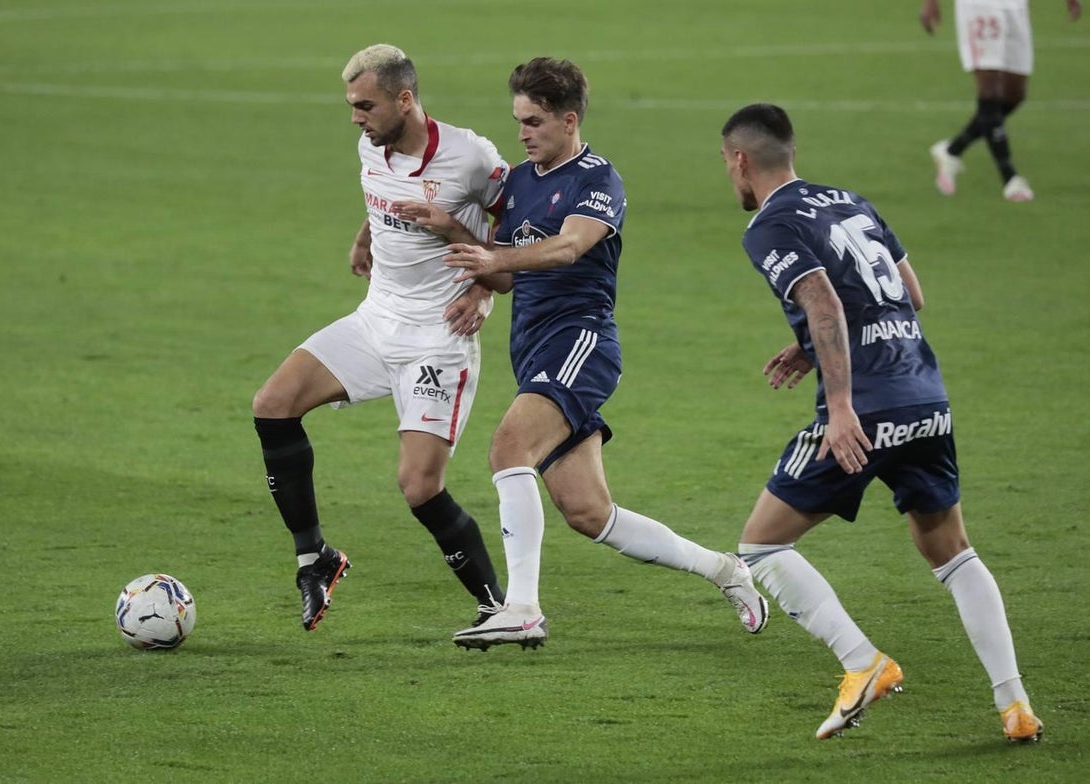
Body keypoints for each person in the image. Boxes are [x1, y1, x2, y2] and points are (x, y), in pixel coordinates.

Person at [720, 102, 1043, 742]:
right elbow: (910, 295)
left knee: (761, 547)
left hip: (866, 407)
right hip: (925, 397)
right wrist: (810, 346)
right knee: (951, 550)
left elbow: (822, 300)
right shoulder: (851, 201)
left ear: (740, 161)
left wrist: (840, 406)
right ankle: (1016, 707)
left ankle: (862, 663)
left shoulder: (769, 224)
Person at [443, 57, 768, 651]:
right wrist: (453, 236)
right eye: (518, 121)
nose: (523, 133)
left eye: (534, 122)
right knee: (590, 514)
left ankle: (522, 610)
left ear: (569, 120)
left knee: (508, 448)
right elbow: (508, 277)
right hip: (535, 350)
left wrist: (494, 257)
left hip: (581, 341)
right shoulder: (520, 183)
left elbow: (569, 247)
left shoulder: (597, 179)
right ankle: (725, 569)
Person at [251, 44, 512, 634]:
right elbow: (386, 196)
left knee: (419, 487)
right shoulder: (371, 145)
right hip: (375, 320)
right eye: (351, 105)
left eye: (365, 105)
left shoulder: (471, 157)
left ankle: (499, 606)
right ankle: (315, 558)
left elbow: (516, 229)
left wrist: (483, 286)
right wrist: (365, 233)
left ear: (405, 99)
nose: (355, 118)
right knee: (273, 404)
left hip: (438, 338)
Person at [921, 0, 1082, 202]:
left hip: (1016, 6)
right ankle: (1010, 177)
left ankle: (951, 151)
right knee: (989, 89)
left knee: (1015, 94)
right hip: (979, 6)